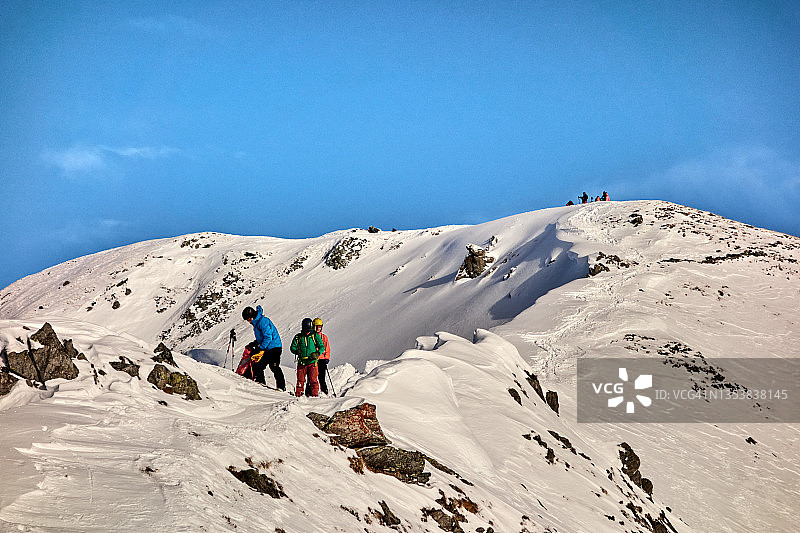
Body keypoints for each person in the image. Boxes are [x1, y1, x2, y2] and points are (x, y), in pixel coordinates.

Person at [242, 306, 286, 390]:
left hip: (274, 347)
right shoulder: (257, 322)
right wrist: (255, 343)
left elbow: (268, 337)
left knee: (274, 367)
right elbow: (262, 337)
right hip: (267, 348)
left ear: (251, 317)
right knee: (258, 366)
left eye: (248, 320)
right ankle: (261, 385)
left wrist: (260, 348)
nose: (249, 322)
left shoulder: (262, 321)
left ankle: (281, 387)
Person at [290, 318, 325, 397]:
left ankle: (315, 396)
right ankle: (299, 396)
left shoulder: (315, 336)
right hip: (302, 363)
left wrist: (317, 353)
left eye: (309, 330)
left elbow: (322, 347)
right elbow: (292, 348)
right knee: (300, 381)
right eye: (306, 330)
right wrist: (296, 351)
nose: (307, 332)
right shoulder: (298, 337)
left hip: (312, 363)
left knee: (313, 381)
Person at [312, 317, 331, 395]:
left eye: (320, 327)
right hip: (313, 359)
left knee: (322, 377)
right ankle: (311, 392)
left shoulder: (324, 337)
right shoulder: (311, 336)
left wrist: (326, 358)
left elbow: (327, 348)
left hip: (322, 360)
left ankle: (324, 391)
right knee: (312, 377)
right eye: (317, 327)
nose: (318, 328)